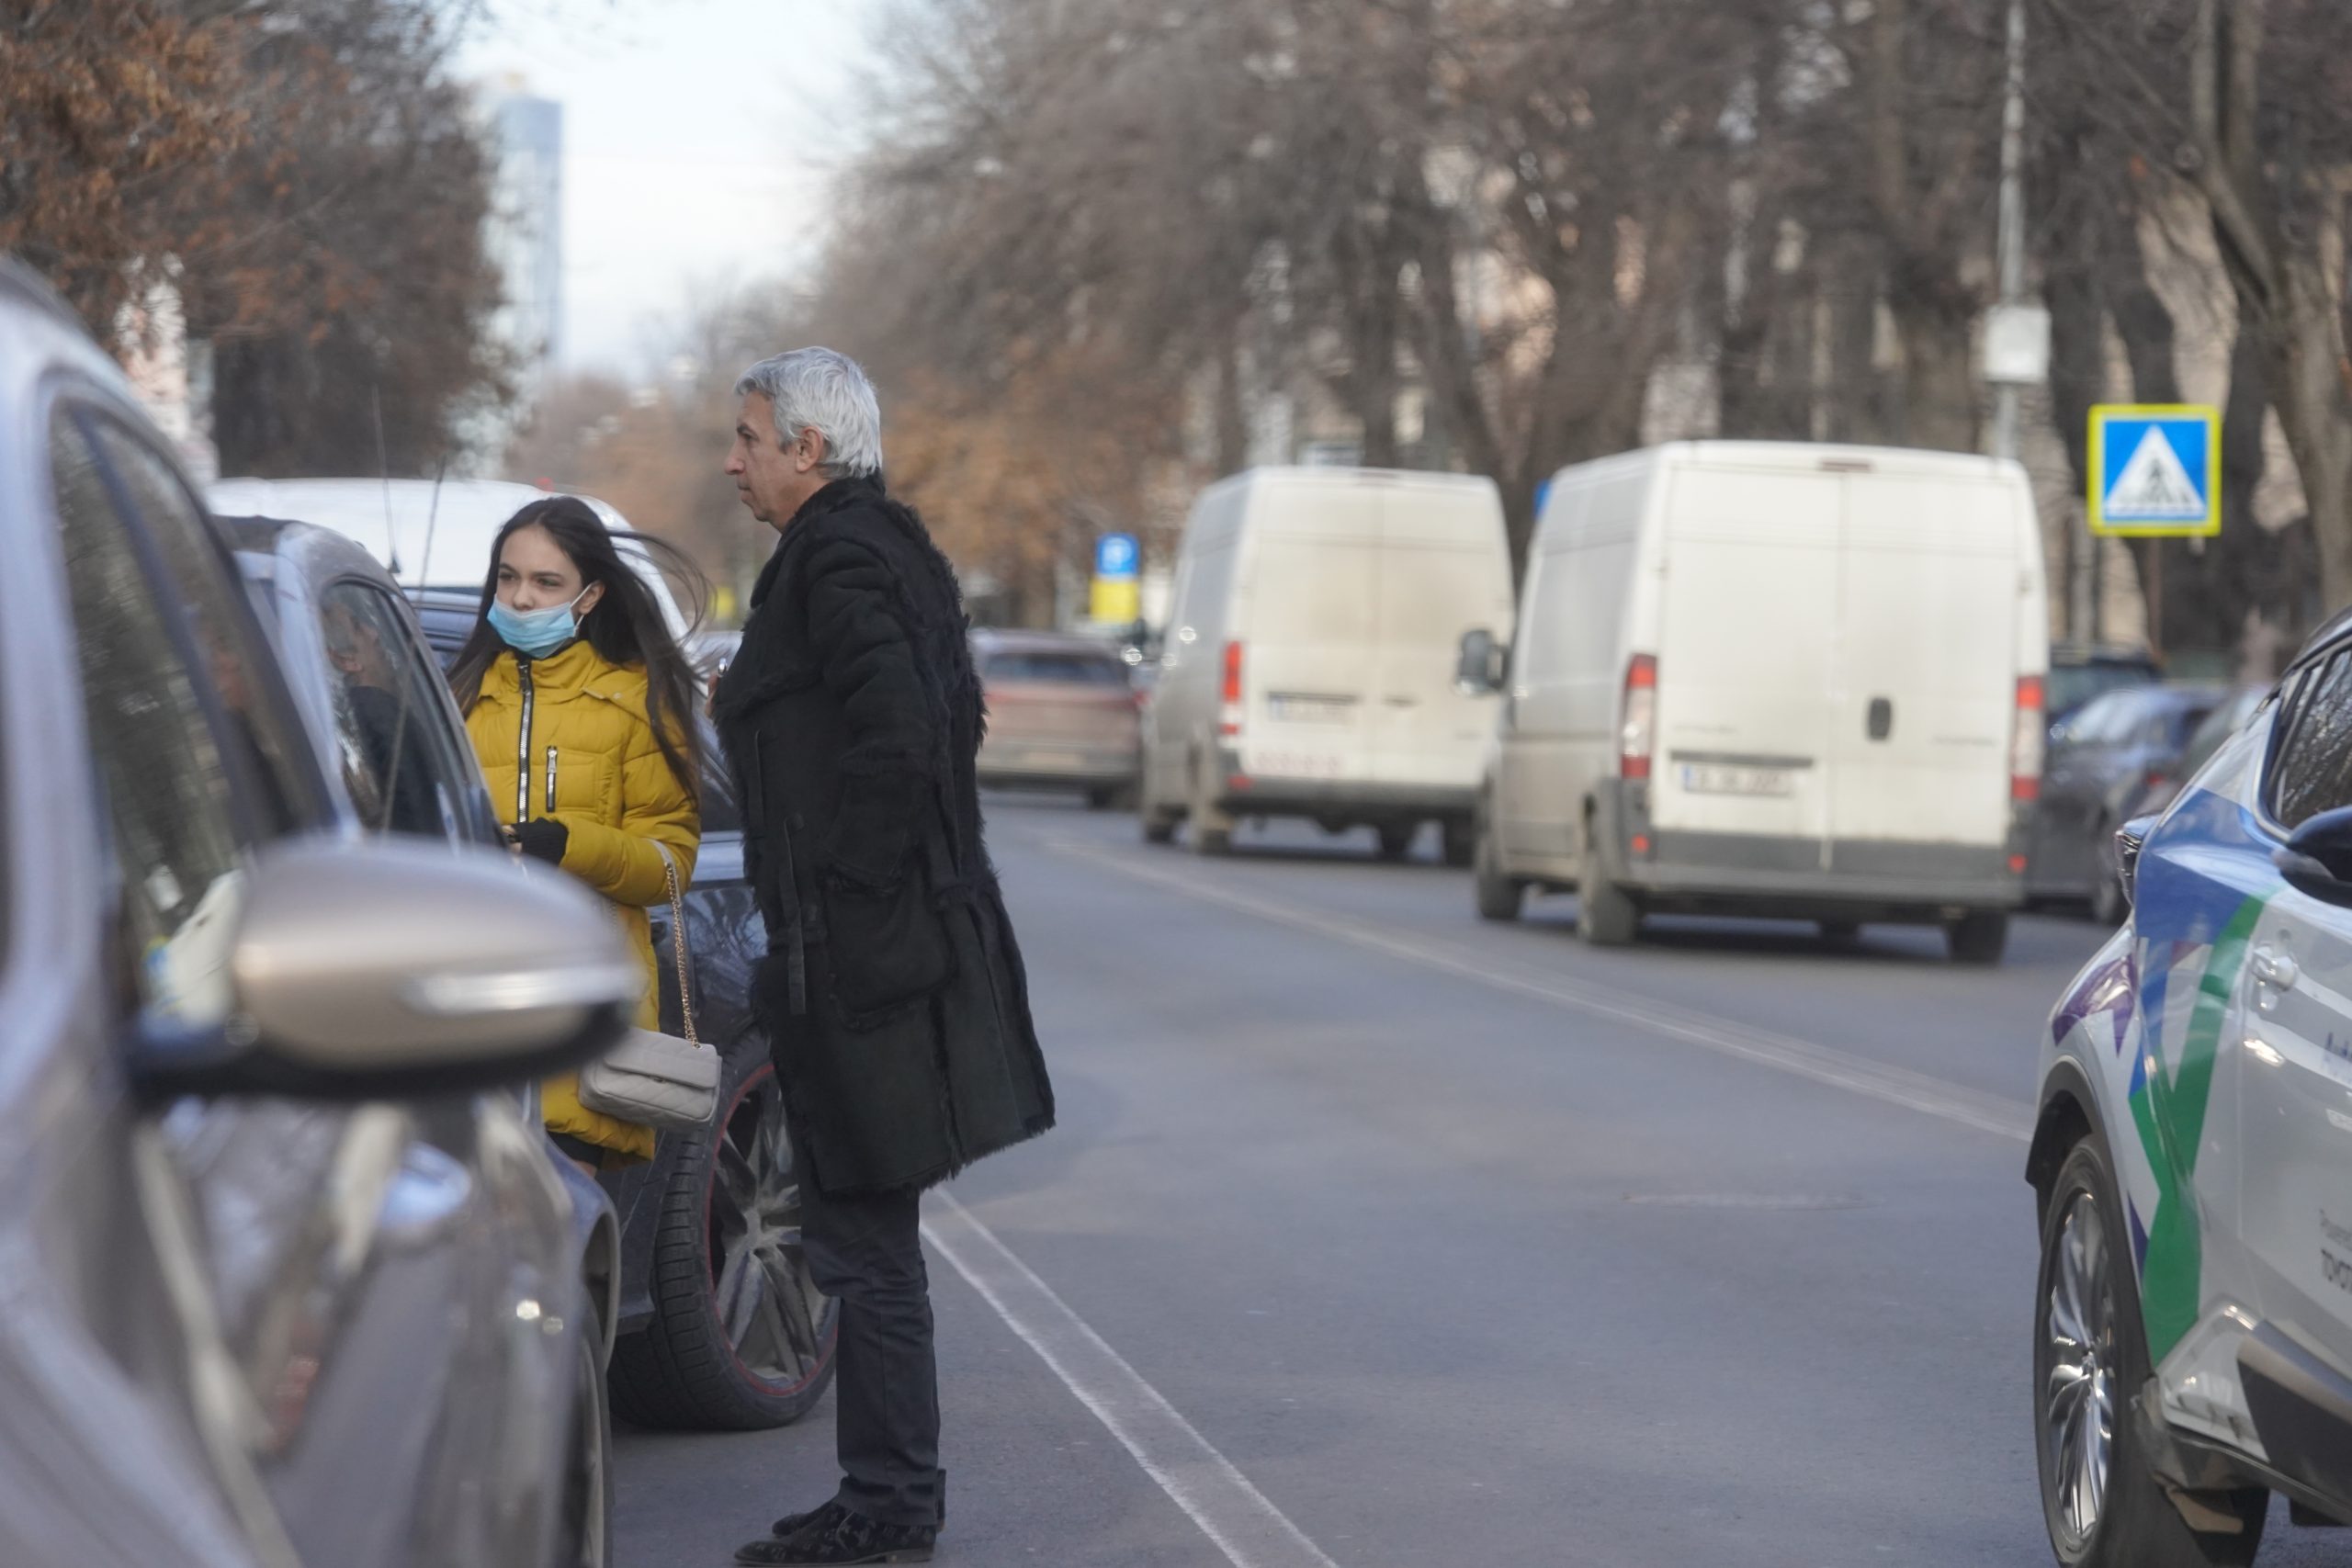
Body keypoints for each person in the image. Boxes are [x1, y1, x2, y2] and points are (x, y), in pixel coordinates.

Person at [715, 349, 1055, 1567]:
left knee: (863, 1242)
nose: (733, 461)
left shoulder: (841, 557)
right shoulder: (867, 546)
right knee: (868, 1238)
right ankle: (885, 1491)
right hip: (875, 943)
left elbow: (902, 735)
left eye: (748, 438)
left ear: (806, 448)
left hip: (863, 955)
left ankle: (891, 1503)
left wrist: (843, 893)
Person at [451, 495, 706, 1168]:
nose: (521, 598)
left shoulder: (635, 702)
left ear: (590, 596)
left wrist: (569, 845)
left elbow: (671, 865)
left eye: (546, 582)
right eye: (508, 577)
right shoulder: (458, 698)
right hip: (470, 1021)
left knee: (569, 1228)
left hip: (582, 1017)